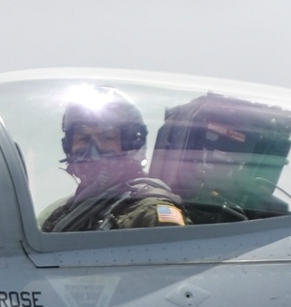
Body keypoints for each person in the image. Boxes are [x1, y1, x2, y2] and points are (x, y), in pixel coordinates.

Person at [40, 86, 188, 233]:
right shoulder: (60, 213)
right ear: (68, 147)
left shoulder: (149, 214)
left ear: (131, 145)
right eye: (84, 138)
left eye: (106, 138)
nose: (93, 150)